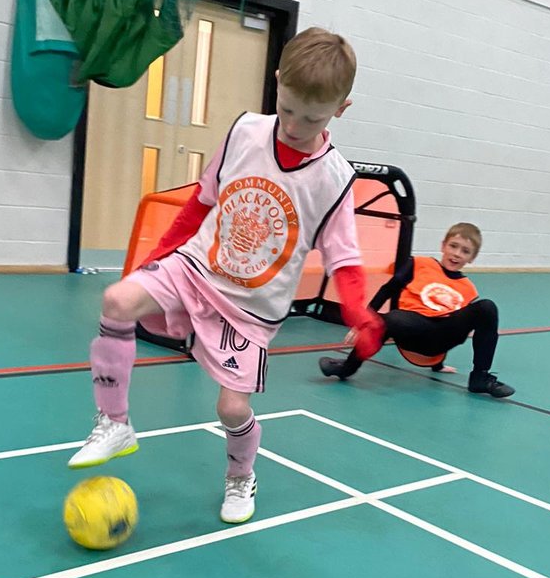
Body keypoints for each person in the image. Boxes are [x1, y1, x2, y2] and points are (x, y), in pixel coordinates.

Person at [68, 27, 384, 522]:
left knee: (231, 410)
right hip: (196, 266)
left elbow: (344, 257)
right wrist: (154, 258)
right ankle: (114, 422)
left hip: (251, 307)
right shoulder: (245, 132)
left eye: (313, 116)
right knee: (117, 300)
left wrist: (359, 312)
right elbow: (201, 202)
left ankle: (240, 478)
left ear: (340, 109)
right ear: (277, 83)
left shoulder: (336, 180)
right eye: (289, 108)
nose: (297, 125)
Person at [318, 222, 514, 397]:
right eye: (453, 246)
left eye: (465, 251)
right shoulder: (420, 265)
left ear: (472, 258)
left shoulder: (468, 288)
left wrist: (438, 364)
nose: (456, 254)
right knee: (389, 320)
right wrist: (363, 322)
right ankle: (347, 367)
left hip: (440, 338)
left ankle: (480, 377)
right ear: (443, 245)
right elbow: (388, 289)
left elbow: (451, 322)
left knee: (487, 307)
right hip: (412, 328)